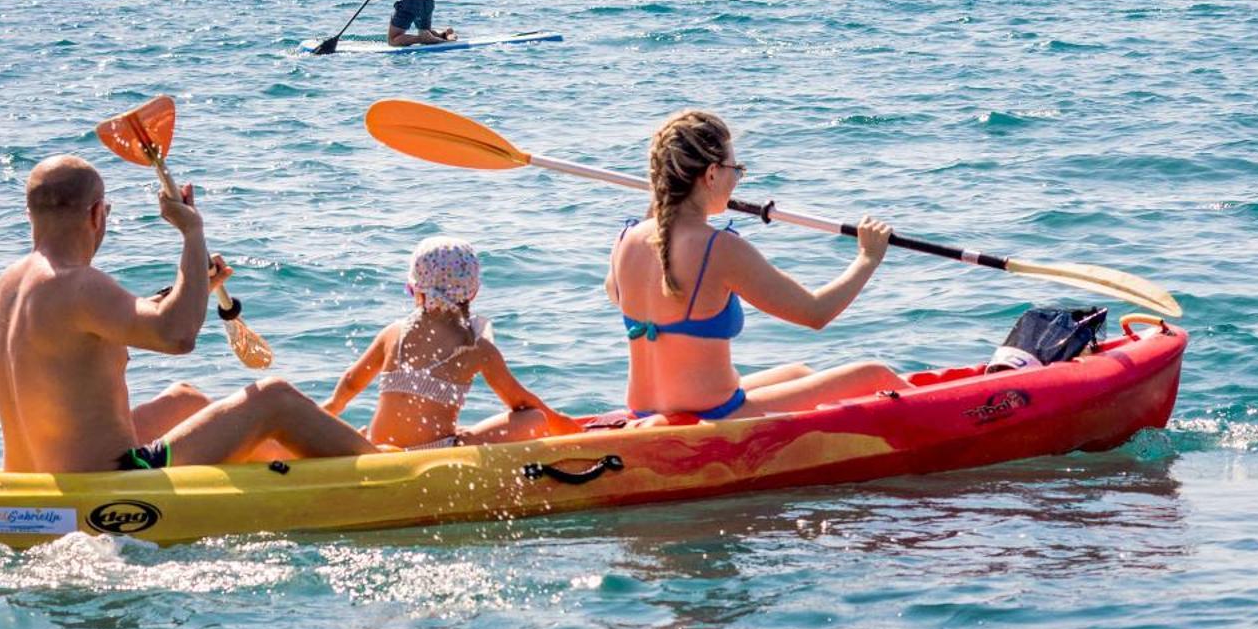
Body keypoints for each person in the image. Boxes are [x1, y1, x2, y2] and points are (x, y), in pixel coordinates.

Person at [0, 155, 375, 472]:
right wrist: (192, 232)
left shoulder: (12, 282)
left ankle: (293, 467)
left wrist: (192, 287)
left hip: (34, 475)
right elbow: (177, 335)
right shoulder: (80, 284)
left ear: (31, 214)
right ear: (95, 215)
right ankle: (380, 467)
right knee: (273, 397)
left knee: (184, 400)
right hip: (110, 485)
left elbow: (109, 321)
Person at [606, 110, 909, 421]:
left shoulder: (627, 239)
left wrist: (661, 200)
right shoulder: (719, 248)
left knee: (797, 373)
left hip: (646, 408)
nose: (736, 179)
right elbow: (815, 313)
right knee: (874, 375)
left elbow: (618, 294)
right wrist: (868, 257)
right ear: (711, 175)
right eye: (736, 170)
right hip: (714, 414)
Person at [326, 236, 581, 447]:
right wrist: (560, 422)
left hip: (380, 448)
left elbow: (350, 381)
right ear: (473, 291)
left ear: (416, 289)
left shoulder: (394, 333)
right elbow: (520, 402)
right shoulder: (477, 348)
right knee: (534, 419)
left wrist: (331, 408)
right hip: (435, 454)